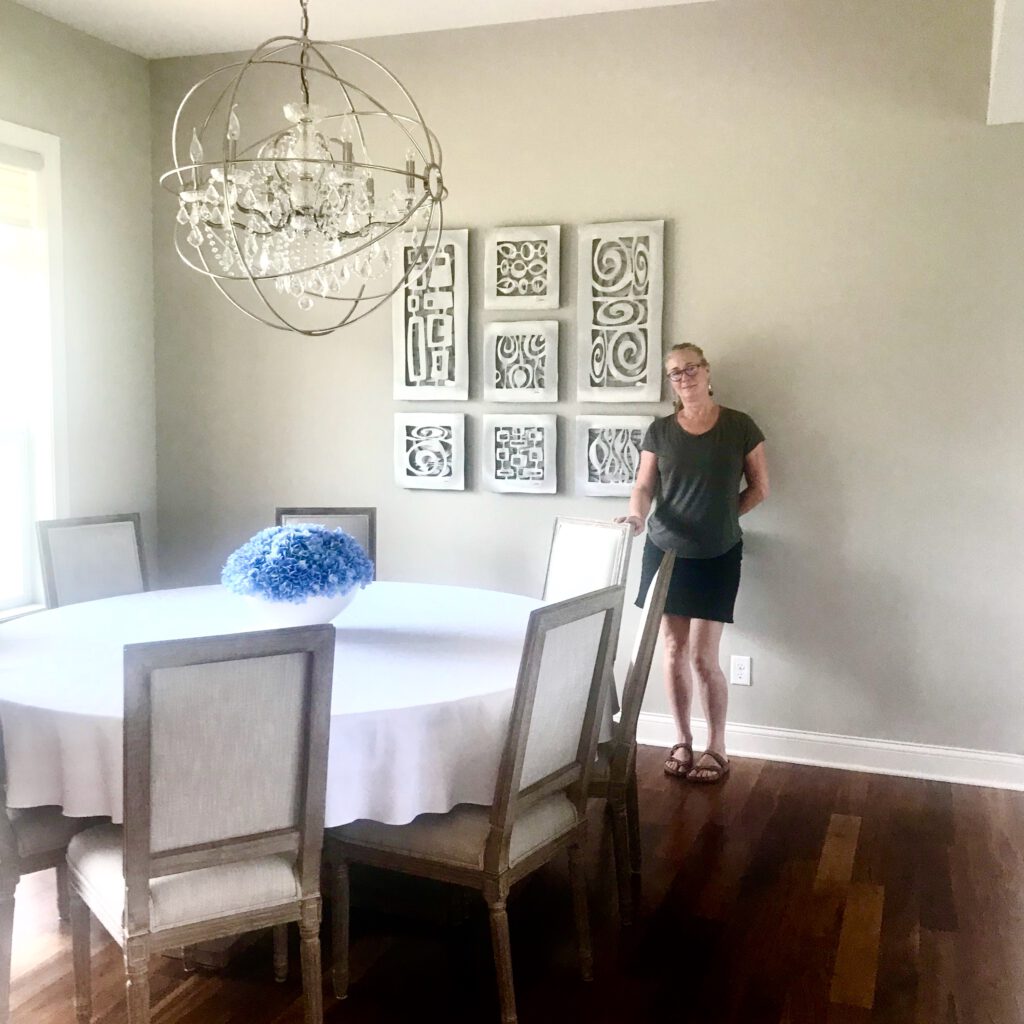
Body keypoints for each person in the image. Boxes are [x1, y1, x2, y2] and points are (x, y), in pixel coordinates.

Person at [614, 343, 769, 783]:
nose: (684, 377)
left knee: (704, 658)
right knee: (673, 650)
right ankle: (681, 739)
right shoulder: (660, 431)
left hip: (718, 553)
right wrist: (637, 514)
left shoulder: (740, 426)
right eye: (675, 373)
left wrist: (721, 517)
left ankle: (716, 746)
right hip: (663, 550)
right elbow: (643, 486)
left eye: (690, 368)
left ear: (706, 371)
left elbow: (760, 487)